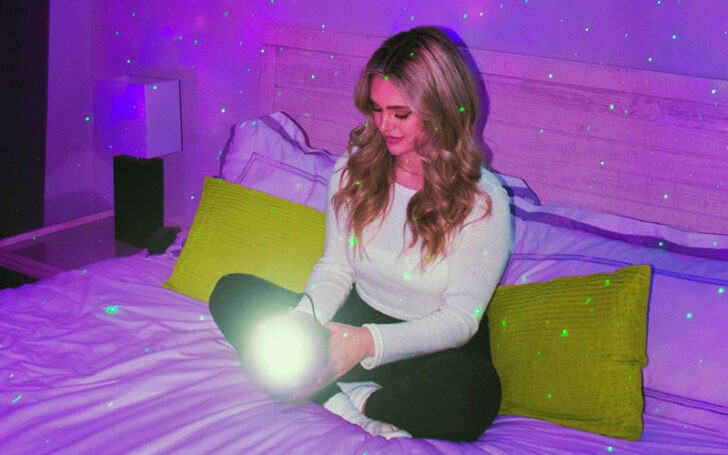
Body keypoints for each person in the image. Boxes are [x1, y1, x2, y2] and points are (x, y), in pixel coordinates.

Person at [209, 26, 512, 442]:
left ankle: (357, 398)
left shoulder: (483, 199)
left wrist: (365, 344)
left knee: (468, 400)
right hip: (353, 320)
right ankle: (337, 396)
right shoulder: (352, 171)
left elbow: (460, 320)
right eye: (376, 108)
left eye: (400, 114)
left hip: (434, 345)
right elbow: (335, 268)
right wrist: (303, 322)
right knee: (234, 294)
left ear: (442, 109)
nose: (384, 125)